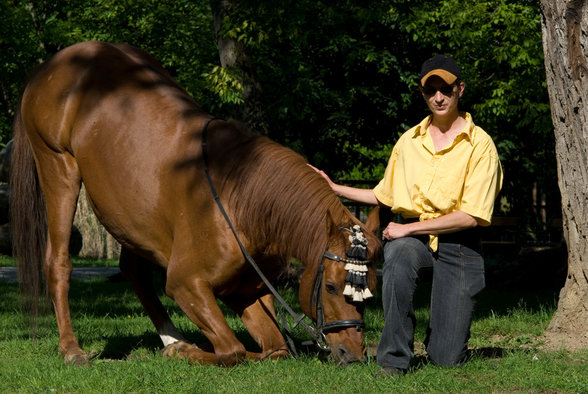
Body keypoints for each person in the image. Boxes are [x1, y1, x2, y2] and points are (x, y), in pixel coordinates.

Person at [312, 54, 503, 375]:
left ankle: (441, 335)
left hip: (461, 244)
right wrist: (334, 186)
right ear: (423, 93)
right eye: (431, 91)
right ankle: (393, 360)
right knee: (399, 254)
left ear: (460, 90)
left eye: (446, 89)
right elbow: (382, 194)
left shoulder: (480, 145)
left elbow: (471, 216)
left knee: (446, 358)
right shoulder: (409, 141)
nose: (438, 97)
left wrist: (407, 229)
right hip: (413, 240)